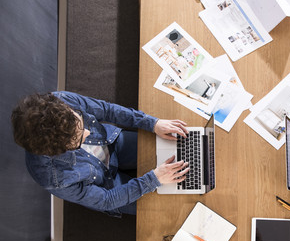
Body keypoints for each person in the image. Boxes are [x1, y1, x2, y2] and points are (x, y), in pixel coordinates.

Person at [11, 91, 190, 216]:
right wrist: (153, 179)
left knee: (182, 149)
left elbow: (106, 110)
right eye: (78, 138)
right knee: (170, 205)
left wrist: (151, 123)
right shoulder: (53, 178)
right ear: (60, 150)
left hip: (112, 142)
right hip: (108, 187)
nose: (88, 133)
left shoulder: (59, 101)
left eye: (80, 122)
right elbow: (105, 200)